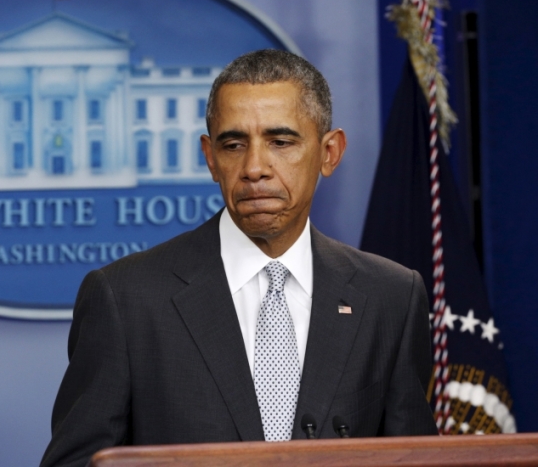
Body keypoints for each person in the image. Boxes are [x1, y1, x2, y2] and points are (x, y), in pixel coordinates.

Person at [40, 49, 437, 467]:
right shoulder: (126, 299)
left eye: (280, 142)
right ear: (211, 158)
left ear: (329, 153)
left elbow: (415, 459)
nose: (254, 168)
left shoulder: (391, 297)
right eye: (234, 145)